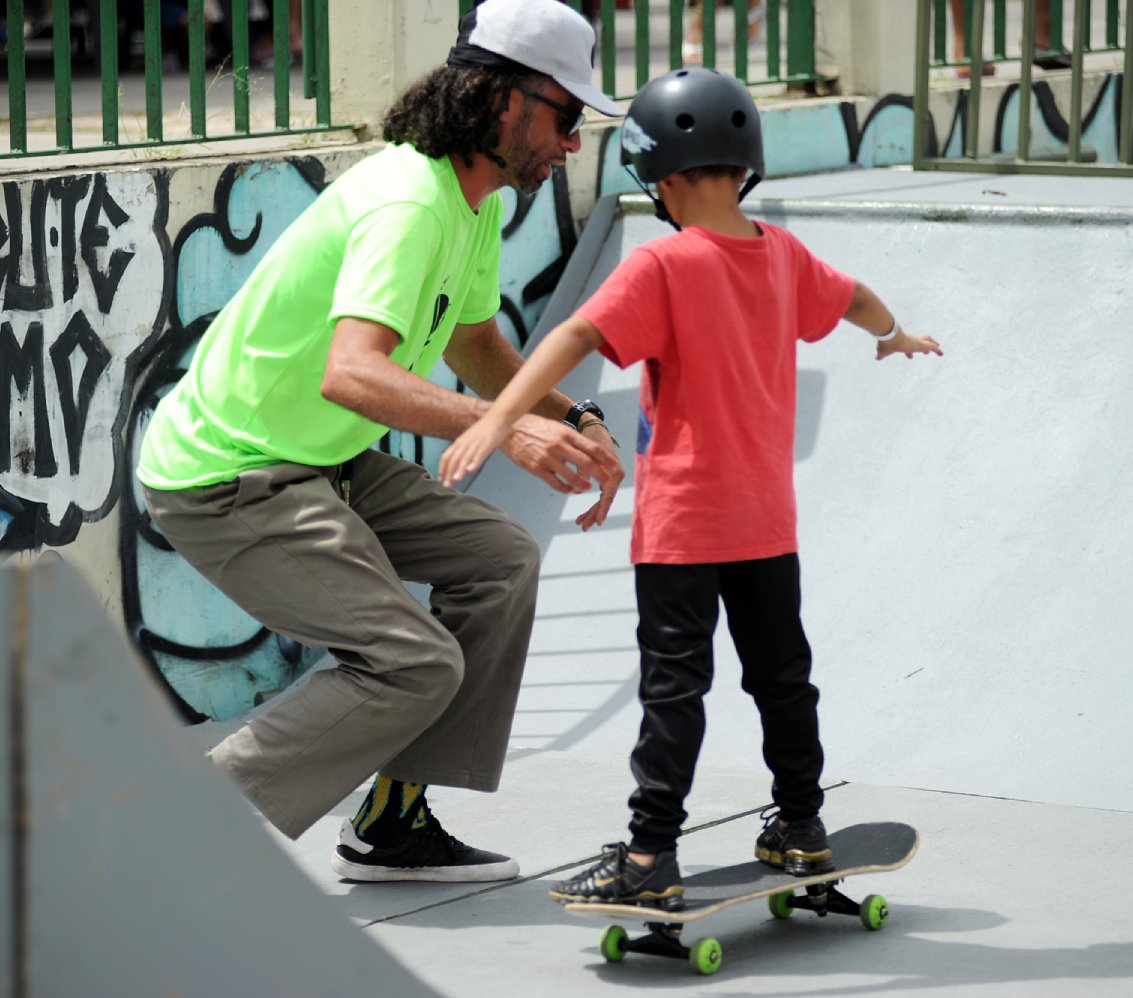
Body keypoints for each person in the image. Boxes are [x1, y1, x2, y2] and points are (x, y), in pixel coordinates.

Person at [135, 0, 625, 884]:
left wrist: (573, 417)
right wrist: (504, 426)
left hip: (317, 461)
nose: (573, 143)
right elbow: (352, 373)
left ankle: (392, 821)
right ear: (499, 100)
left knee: (500, 559)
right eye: (567, 116)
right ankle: (173, 827)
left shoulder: (469, 204)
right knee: (409, 660)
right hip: (228, 477)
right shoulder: (408, 202)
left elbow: (477, 345)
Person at [439, 67, 943, 907]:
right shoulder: (783, 256)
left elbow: (572, 335)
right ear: (742, 170)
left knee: (675, 689)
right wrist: (893, 334)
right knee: (784, 680)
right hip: (766, 525)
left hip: (683, 530)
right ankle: (802, 827)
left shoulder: (664, 266)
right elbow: (851, 297)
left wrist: (498, 419)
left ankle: (646, 858)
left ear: (664, 180)